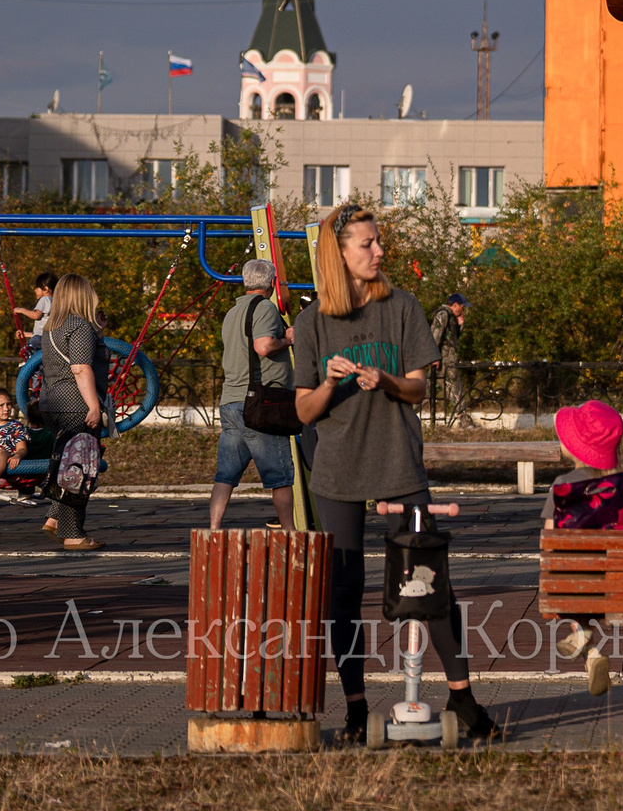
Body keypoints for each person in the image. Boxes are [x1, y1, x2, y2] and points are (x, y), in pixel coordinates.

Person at [292, 204, 501, 743]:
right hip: (337, 469)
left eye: (378, 241)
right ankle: (357, 708)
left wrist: (383, 378)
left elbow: (418, 389)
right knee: (344, 590)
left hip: (399, 461)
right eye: (367, 244)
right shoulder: (312, 321)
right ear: (338, 256)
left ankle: (464, 699)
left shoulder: (402, 306)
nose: (379, 251)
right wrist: (332, 382)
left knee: (428, 584)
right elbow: (304, 412)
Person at [208, 259, 297, 532]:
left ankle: (213, 529)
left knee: (225, 475)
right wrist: (289, 339)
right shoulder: (266, 308)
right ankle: (290, 532)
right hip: (261, 404)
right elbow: (264, 345)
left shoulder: (233, 311)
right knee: (280, 475)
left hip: (231, 401)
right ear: (271, 283)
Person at [543, 399, 623, 695]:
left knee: (564, 578)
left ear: (573, 447)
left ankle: (583, 637)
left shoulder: (564, 485)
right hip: (612, 580)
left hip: (573, 581)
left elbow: (550, 537)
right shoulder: (620, 486)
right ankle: (590, 653)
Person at [34, 273, 110, 551]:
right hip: (75, 403)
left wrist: (98, 333)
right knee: (79, 467)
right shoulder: (78, 326)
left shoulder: (52, 326)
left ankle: (55, 518)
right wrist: (93, 405)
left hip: (52, 401)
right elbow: (80, 367)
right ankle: (73, 534)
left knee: (66, 461)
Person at [430, 293, 468, 417]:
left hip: (445, 359)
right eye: (462, 306)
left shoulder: (450, 316)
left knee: (428, 390)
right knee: (456, 390)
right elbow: (435, 337)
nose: (463, 309)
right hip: (443, 360)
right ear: (455, 305)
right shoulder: (443, 315)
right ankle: (465, 420)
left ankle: (408, 416)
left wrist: (460, 325)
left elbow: (452, 338)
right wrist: (434, 358)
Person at [13, 270, 57, 358]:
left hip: (39, 338)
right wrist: (25, 334)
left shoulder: (44, 299)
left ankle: (27, 363)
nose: (35, 290)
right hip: (49, 338)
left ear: (46, 289)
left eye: (37, 287)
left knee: (27, 350)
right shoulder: (55, 301)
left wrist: (21, 310)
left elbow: (35, 315)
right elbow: (42, 329)